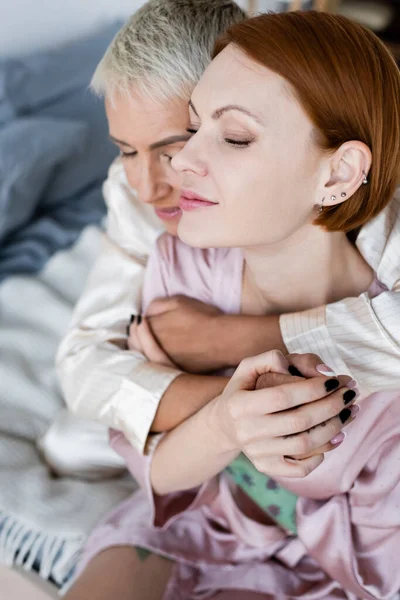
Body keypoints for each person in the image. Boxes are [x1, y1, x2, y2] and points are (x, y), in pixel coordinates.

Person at [65, 9, 400, 600]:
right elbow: (92, 373)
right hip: (201, 521)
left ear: (339, 173)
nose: (170, 172)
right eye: (193, 129)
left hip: (354, 554)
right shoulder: (174, 258)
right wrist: (228, 414)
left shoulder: (380, 306)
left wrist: (229, 343)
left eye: (235, 136)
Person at [44, 0, 358, 480]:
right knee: (68, 442)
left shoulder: (334, 183)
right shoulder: (133, 199)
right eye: (126, 151)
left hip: (316, 399)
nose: (148, 188)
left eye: (173, 149)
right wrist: (247, 404)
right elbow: (83, 363)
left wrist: (222, 338)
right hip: (261, 394)